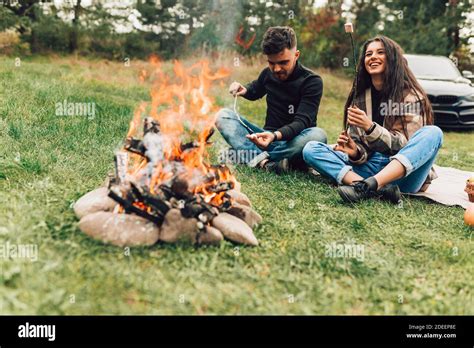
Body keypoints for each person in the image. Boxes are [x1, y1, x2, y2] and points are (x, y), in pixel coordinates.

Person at [302, 35, 443, 204]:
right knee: (311, 149)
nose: (373, 57)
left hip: (404, 176)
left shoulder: (411, 96)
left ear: (393, 59)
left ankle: (370, 185)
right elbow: (362, 152)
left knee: (433, 133)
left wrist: (370, 128)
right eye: (368, 54)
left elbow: (405, 146)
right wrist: (354, 151)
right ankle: (367, 187)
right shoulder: (360, 99)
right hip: (370, 168)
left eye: (380, 52)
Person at [215, 26, 327, 173]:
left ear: (297, 55)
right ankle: (268, 163)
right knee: (223, 115)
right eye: (271, 63)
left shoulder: (312, 81)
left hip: (295, 142)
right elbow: (255, 90)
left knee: (318, 135)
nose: (276, 69)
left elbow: (302, 122)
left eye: (283, 62)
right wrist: (244, 90)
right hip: (265, 140)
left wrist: (274, 136)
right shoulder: (268, 74)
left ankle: (251, 156)